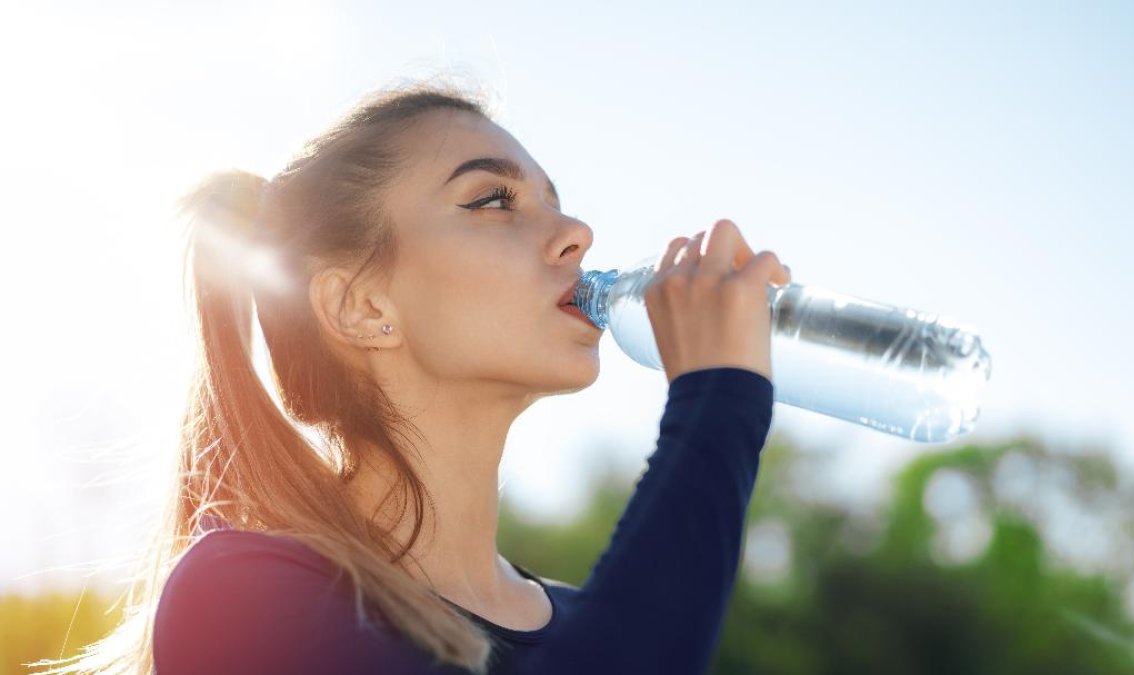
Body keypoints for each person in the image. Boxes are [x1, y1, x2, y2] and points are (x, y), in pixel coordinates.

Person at [32, 84, 790, 675]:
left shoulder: (591, 621)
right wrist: (717, 397)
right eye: (494, 200)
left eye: (555, 201)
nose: (577, 234)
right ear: (360, 306)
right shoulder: (242, 596)